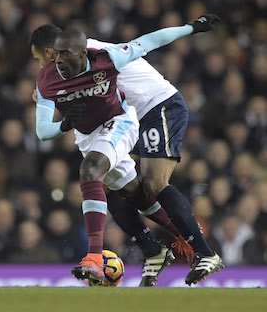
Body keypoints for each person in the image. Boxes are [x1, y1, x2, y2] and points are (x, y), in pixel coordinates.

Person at [32, 15, 223, 286]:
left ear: (50, 52)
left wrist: (191, 28)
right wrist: (58, 113)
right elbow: (46, 123)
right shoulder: (51, 76)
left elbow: (150, 41)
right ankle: (154, 250)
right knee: (121, 191)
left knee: (153, 180)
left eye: (39, 58)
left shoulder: (103, 56)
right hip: (117, 118)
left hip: (156, 104)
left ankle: (203, 250)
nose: (43, 64)